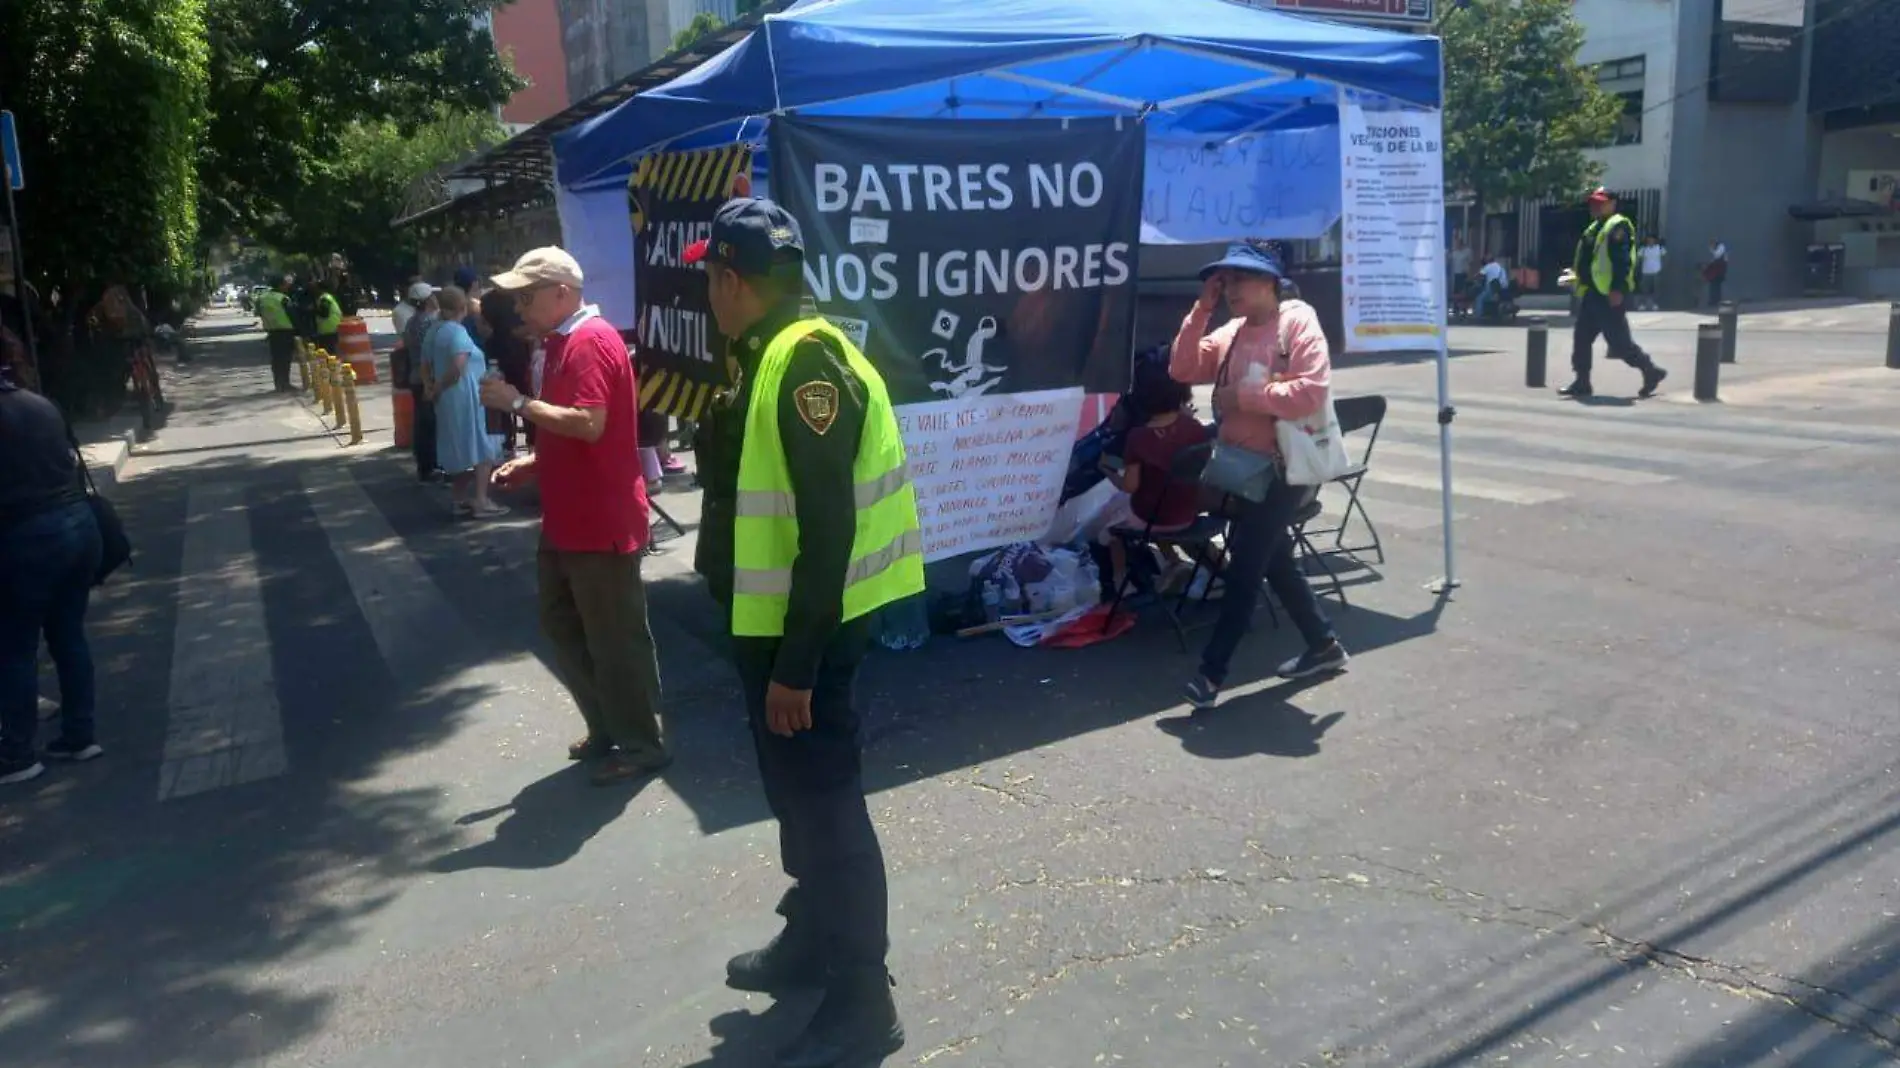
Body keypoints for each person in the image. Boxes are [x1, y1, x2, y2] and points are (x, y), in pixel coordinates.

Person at [683, 197, 921, 1067]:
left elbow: (830, 530)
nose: (710, 291)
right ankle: (811, 936)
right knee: (799, 798)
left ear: (730, 279)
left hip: (804, 634)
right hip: (774, 625)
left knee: (828, 811)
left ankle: (862, 995)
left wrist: (797, 666)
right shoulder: (768, 355)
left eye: (712, 276)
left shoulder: (805, 362)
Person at [478, 248, 669, 786]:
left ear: (562, 291)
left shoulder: (586, 341)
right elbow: (589, 431)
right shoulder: (566, 341)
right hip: (571, 518)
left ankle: (640, 742)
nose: (519, 305)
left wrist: (517, 404)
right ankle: (610, 726)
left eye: (527, 294)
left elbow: (588, 423)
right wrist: (536, 462)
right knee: (565, 625)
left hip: (597, 519)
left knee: (613, 638)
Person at [1169, 243, 1349, 709]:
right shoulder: (1230, 331)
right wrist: (1201, 308)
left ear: (1270, 282)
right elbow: (1182, 367)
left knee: (1246, 568)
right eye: (1224, 280)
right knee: (1276, 561)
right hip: (1242, 471)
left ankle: (1211, 674)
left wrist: (1243, 398)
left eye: (1241, 278)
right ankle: (1324, 645)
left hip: (1283, 472)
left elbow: (1311, 390)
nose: (1230, 288)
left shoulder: (1296, 322)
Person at [1, 359, 105, 784]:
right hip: (79, 528)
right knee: (68, 634)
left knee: (15, 648)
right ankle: (79, 737)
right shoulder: (40, 404)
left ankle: (17, 754)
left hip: (27, 538)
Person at [1096, 365, 1210, 592]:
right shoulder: (1195, 427)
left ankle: (1122, 587)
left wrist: (1106, 470)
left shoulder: (1138, 437)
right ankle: (1174, 563)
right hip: (1188, 511)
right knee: (1154, 506)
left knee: (1108, 527)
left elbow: (1130, 486)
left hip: (1155, 517)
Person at [1560, 188, 1667, 400]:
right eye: (1593, 203)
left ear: (1613, 204)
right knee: (1581, 337)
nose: (1595, 206)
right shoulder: (1594, 227)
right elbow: (1592, 261)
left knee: (1619, 344)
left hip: (1609, 294)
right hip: (1592, 293)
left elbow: (1622, 261)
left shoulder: (1618, 226)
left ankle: (1650, 370)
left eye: (1600, 203)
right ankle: (1582, 381)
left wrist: (1617, 289)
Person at [421, 286, 507, 520]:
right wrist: (438, 386)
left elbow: (425, 364)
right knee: (483, 444)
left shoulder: (433, 331)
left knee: (459, 446)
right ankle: (481, 500)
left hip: (447, 399)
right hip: (468, 396)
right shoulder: (457, 332)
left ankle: (458, 499)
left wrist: (430, 387)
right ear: (462, 308)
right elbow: (458, 367)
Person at [401, 283, 443, 483]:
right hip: (426, 377)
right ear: (427, 300)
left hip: (415, 376)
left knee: (422, 422)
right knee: (429, 423)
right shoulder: (428, 323)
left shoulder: (411, 322)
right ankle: (430, 465)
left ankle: (424, 465)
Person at [256, 277, 298, 392]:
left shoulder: (262, 298)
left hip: (272, 332)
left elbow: (258, 312)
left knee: (276, 359)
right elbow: (293, 316)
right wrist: (299, 331)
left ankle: (278, 384)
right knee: (285, 359)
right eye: (285, 284)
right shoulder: (283, 299)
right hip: (285, 331)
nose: (287, 286)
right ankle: (285, 383)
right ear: (280, 285)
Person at [313, 278, 344, 355]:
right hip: (332, 328)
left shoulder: (325, 298)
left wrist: (313, 310)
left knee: (329, 354)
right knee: (331, 353)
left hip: (328, 329)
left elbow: (324, 313)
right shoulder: (328, 297)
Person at [1638, 235, 1666, 311]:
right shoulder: (1643, 249)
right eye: (1648, 240)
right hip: (1646, 271)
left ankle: (1655, 304)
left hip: (1656, 271)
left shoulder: (1659, 248)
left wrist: (1662, 268)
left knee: (1656, 289)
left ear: (1654, 240)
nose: (1650, 241)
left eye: (1652, 240)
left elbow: (1664, 258)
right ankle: (1643, 304)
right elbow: (1639, 259)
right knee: (1644, 289)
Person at [1476, 254, 1509, 319]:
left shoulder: (1488, 266)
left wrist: (1474, 277)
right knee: (1491, 298)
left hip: (1493, 287)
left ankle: (1479, 314)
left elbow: (1479, 275)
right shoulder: (1500, 266)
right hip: (1503, 287)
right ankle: (1491, 312)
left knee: (1480, 299)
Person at [1702, 238, 1728, 308]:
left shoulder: (1721, 247)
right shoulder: (1714, 249)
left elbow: (1717, 255)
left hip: (1720, 270)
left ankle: (1717, 301)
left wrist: (1712, 250)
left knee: (1717, 286)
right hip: (1715, 271)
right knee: (1713, 286)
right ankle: (1713, 300)